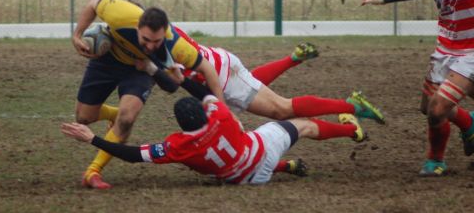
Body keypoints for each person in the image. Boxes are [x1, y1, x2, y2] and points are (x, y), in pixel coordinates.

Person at [61, 82, 369, 186]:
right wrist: (177, 78)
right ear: (202, 111)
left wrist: (93, 139)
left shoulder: (177, 146)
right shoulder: (219, 115)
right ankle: (350, 130)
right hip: (261, 152)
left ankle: (286, 167)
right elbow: (204, 91)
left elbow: (132, 155)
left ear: (180, 124)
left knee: (223, 164)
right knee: (304, 125)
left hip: (246, 180)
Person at [362, 0, 474, 176]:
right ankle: (469, 123)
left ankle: (435, 161)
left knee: (438, 108)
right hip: (445, 49)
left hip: (469, 51)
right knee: (428, 108)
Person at [71, 0, 224, 189]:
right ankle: (115, 114)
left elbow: (207, 68)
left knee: (127, 119)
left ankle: (92, 171)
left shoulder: (174, 44)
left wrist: (222, 109)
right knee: (83, 117)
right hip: (109, 60)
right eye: (145, 40)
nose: (151, 46)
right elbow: (92, 2)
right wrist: (77, 35)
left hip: (141, 69)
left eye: (156, 41)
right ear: (137, 28)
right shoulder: (120, 15)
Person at [136, 25, 385, 129]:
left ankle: (353, 105)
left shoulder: (159, 41)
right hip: (217, 78)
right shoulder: (154, 34)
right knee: (259, 98)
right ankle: (348, 119)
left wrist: (220, 108)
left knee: (281, 109)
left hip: (221, 75)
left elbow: (176, 82)